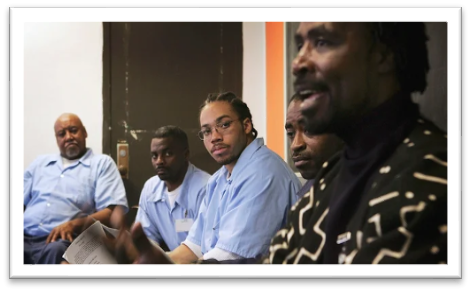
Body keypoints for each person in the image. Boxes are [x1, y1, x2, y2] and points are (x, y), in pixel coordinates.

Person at [268, 22, 447, 264]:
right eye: (300, 46)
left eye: (322, 42)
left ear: (383, 55)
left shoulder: (432, 176)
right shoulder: (328, 179)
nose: (298, 63)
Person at [107, 92, 302, 264]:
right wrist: (151, 263)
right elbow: (194, 246)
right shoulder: (218, 180)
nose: (214, 137)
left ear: (247, 125)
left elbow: (229, 258)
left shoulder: (263, 172)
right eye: (207, 131)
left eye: (224, 125)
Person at [23, 113, 129, 264]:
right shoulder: (40, 164)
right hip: (23, 236)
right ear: (57, 139)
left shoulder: (101, 164)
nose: (68, 137)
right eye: (62, 134)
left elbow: (111, 211)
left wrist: (74, 224)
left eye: (73, 130)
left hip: (61, 241)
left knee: (57, 251)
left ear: (84, 132)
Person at [133, 125, 211, 251]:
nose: (159, 161)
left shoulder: (205, 188)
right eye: (154, 156)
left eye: (168, 154)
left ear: (185, 155)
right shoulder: (150, 188)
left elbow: (204, 246)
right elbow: (147, 237)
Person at [285, 93, 344, 200]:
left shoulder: (366, 190)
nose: (295, 145)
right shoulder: (306, 196)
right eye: (290, 133)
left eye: (309, 129)